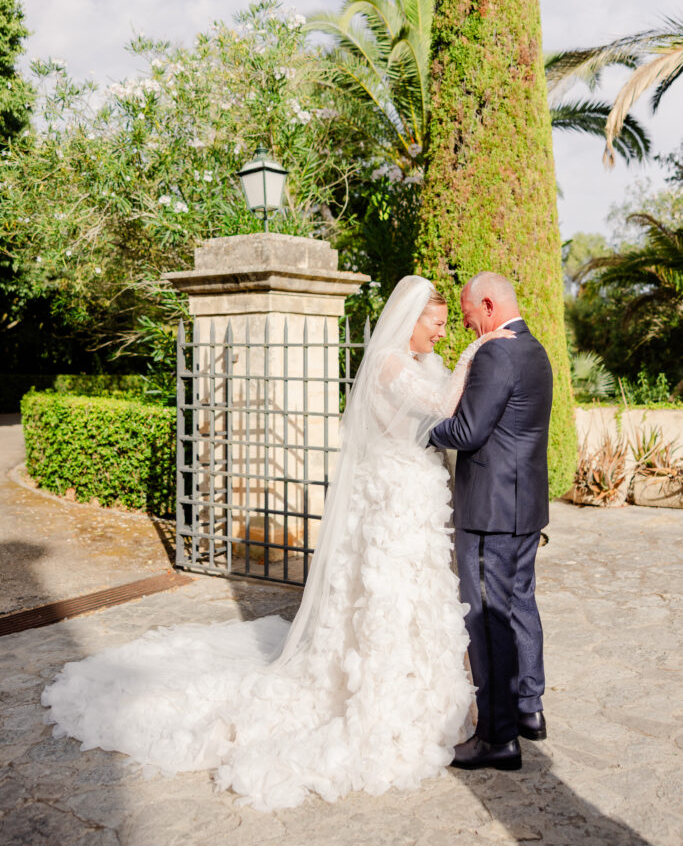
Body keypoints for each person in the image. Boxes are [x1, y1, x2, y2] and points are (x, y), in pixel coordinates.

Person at [41, 276, 510, 812]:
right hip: (392, 497)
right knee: (387, 594)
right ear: (410, 320)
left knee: (418, 593)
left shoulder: (423, 363)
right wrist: (478, 350)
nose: (443, 334)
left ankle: (423, 692)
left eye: (448, 326)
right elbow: (446, 405)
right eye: (438, 324)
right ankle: (382, 695)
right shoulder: (390, 365)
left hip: (418, 495)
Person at [429, 272, 553, 772]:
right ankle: (528, 708)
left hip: (490, 513)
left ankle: (497, 737)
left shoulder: (495, 353)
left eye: (467, 315)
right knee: (520, 603)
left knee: (486, 618)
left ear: (487, 304)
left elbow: (467, 430)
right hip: (525, 509)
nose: (466, 325)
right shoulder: (535, 350)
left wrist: (423, 429)